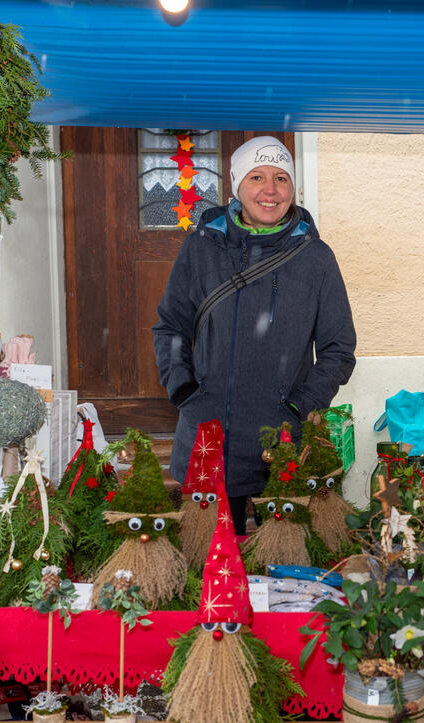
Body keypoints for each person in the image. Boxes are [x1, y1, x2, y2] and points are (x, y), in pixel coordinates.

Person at [153, 136, 356, 533]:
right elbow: (171, 325)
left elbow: (339, 349)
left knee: (282, 567)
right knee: (209, 566)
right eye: (257, 177)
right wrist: (183, 388)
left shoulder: (316, 258)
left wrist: (299, 407)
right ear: (235, 185)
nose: (270, 190)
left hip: (280, 444)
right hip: (207, 433)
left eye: (281, 178)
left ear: (293, 189)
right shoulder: (201, 247)